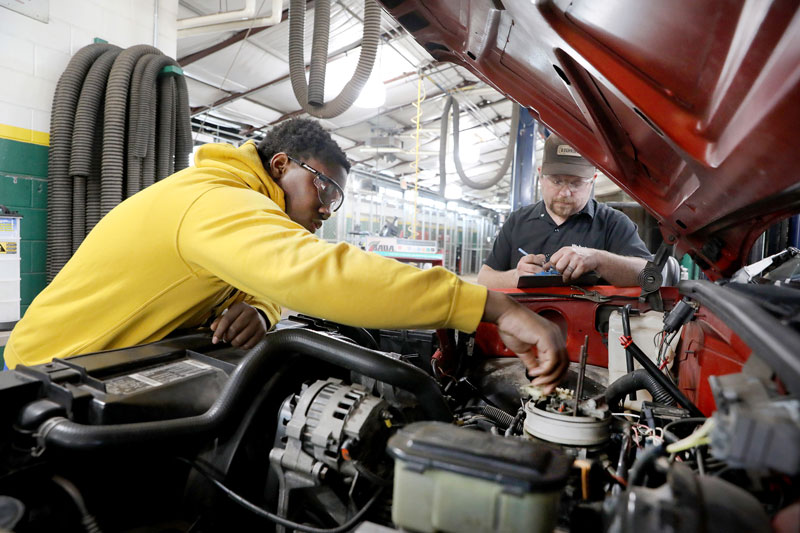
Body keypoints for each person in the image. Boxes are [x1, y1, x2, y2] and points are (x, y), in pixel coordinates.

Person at [5, 118, 568, 393]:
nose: (327, 209)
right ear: (280, 167)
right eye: (325, 190)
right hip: (47, 379)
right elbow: (313, 273)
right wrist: (492, 306)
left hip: (111, 369)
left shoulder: (242, 206)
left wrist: (261, 307)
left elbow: (274, 279)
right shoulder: (213, 201)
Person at [477, 134, 652, 288]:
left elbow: (649, 275)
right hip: (525, 321)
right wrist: (515, 277)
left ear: (592, 181)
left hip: (586, 323)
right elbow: (485, 279)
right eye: (557, 181)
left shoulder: (613, 223)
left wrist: (598, 259)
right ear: (541, 176)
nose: (565, 192)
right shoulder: (518, 221)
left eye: (576, 183)